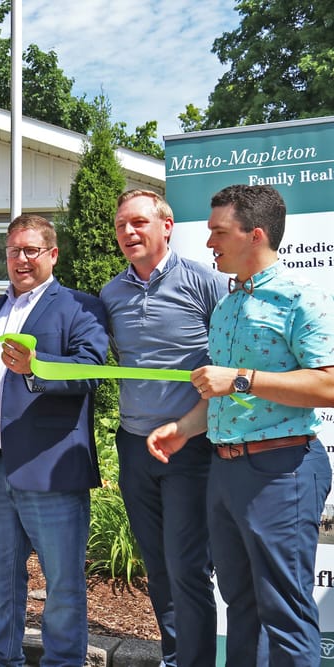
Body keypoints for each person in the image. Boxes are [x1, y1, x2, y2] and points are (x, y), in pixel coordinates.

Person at [148, 184, 334, 666]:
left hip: (283, 468)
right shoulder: (228, 307)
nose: (209, 242)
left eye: (218, 232)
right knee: (241, 607)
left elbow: (329, 386)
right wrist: (185, 428)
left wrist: (243, 379)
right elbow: (223, 395)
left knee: (285, 613)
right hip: (226, 470)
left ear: (255, 235)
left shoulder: (301, 299)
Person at [0, 214, 108, 667]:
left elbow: (91, 370)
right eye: (13, 251)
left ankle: (63, 661)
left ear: (52, 254)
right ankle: (4, 656)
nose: (20, 260)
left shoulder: (80, 306)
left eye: (31, 250)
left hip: (51, 466)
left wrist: (36, 368)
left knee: (62, 582)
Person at [99, 191, 226, 667]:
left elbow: (230, 356)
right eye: (120, 226)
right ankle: (177, 657)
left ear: (166, 226)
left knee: (189, 566)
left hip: (191, 446)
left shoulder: (205, 282)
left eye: (138, 223)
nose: (128, 233)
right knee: (157, 566)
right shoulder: (111, 294)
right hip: (134, 447)